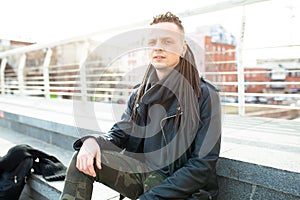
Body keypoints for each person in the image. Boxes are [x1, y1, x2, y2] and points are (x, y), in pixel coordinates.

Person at [61, 11, 221, 200]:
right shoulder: (139, 94)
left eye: (168, 41)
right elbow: (120, 134)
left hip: (183, 190)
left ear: (183, 48)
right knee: (84, 159)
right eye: (152, 42)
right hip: (145, 177)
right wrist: (92, 142)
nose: (158, 47)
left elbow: (202, 165)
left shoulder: (205, 95)